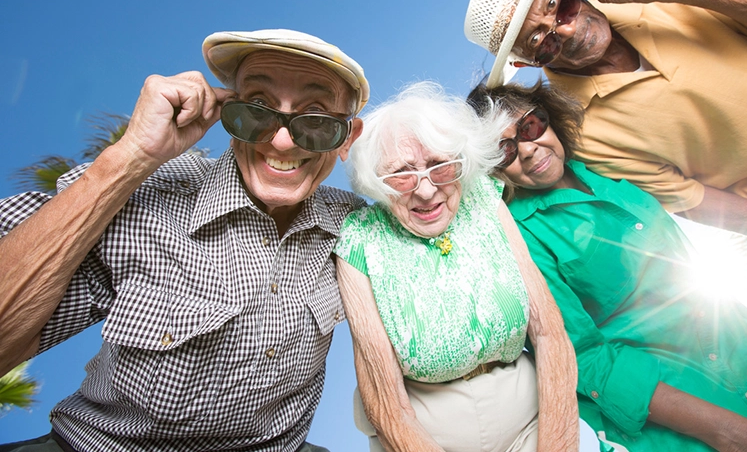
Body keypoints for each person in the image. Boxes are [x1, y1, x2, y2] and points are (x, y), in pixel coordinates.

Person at [0, 29, 368, 452]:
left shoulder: (356, 228)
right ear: (230, 113)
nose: (281, 140)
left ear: (346, 139)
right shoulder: (142, 194)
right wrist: (131, 157)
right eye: (258, 109)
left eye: (317, 118)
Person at [467, 79, 747, 452]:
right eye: (504, 151)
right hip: (676, 405)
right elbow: (582, 357)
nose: (528, 149)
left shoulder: (607, 163)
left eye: (530, 126)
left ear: (548, 117)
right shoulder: (518, 237)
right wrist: (726, 431)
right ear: (492, 170)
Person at [463, 0, 747, 245]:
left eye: (559, 5)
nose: (565, 30)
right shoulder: (584, 134)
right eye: (541, 41)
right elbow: (696, 202)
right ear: (526, 63)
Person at [332, 82, 581, 452]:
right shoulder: (360, 239)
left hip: (531, 423)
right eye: (402, 174)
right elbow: (384, 399)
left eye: (440, 166)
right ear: (377, 183)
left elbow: (549, 333)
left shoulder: (481, 197)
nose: (427, 191)